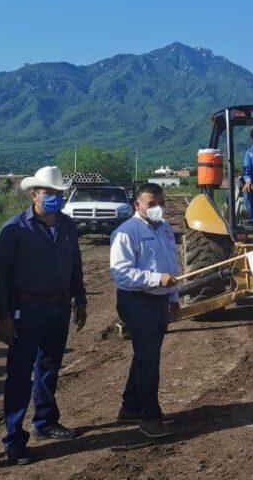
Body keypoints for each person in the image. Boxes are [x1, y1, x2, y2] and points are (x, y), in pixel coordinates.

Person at [0, 166, 87, 465]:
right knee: (20, 375)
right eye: (49, 193)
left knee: (49, 368)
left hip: (59, 307)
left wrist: (80, 299)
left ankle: (45, 421)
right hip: (27, 309)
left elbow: (76, 265)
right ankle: (14, 439)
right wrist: (4, 317)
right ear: (34, 194)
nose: (55, 198)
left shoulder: (69, 226)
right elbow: (0, 276)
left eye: (59, 193)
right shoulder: (15, 229)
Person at [110, 182, 180, 438]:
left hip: (160, 301)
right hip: (136, 302)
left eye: (161, 204)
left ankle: (130, 407)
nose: (158, 209)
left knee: (145, 355)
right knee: (149, 359)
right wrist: (155, 279)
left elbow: (172, 265)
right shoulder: (126, 232)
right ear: (137, 205)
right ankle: (150, 418)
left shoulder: (165, 229)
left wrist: (173, 296)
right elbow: (121, 274)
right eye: (152, 204)